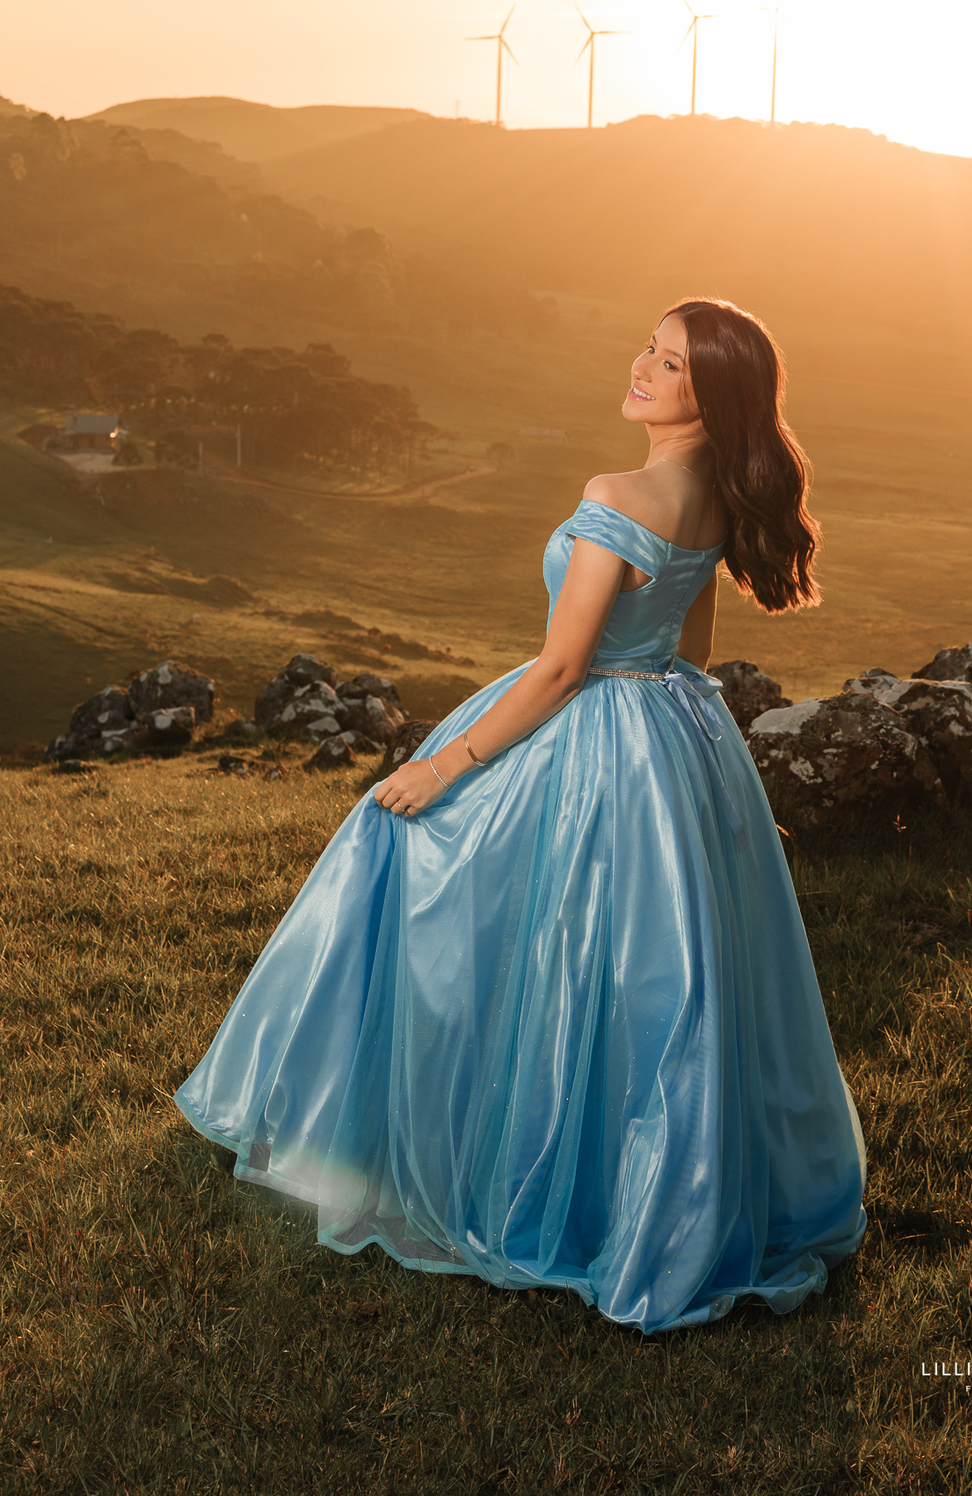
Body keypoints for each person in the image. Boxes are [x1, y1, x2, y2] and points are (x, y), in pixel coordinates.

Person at [175, 297, 867, 1334]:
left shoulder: (619, 490)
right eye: (650, 345)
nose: (641, 367)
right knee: (645, 970)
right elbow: (693, 648)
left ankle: (396, 1141)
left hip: (587, 727)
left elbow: (558, 668)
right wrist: (671, 746)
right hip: (670, 735)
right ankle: (642, 1190)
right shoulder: (717, 492)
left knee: (401, 845)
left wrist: (445, 763)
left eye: (670, 365)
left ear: (708, 395)